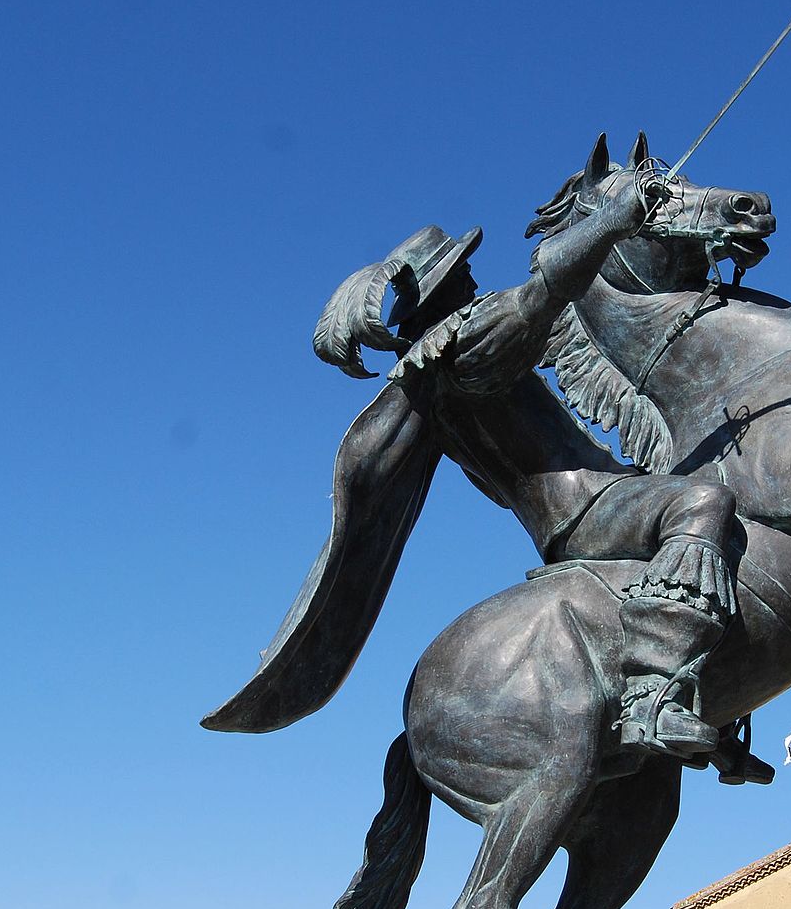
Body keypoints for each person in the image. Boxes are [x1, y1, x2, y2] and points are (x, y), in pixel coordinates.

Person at [311, 165, 764, 780]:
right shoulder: (466, 350)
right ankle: (654, 696)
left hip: (598, 493)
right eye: (459, 275)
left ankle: (725, 706)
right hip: (581, 510)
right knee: (703, 502)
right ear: (439, 296)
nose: (472, 279)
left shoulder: (440, 378)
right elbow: (544, 293)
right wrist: (610, 220)